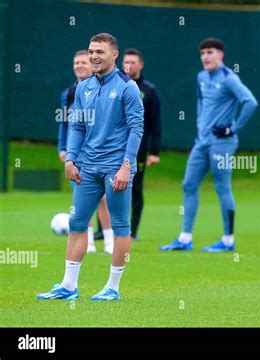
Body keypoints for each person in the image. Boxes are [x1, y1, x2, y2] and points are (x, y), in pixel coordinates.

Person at [37, 33, 144, 301]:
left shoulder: (127, 87)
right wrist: (71, 159)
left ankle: (113, 287)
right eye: (91, 51)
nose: (94, 56)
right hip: (87, 167)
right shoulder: (83, 88)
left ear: (114, 55)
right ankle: (69, 286)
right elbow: (76, 126)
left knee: (120, 226)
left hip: (116, 168)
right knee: (76, 223)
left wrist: (126, 166)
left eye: (100, 51)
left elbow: (136, 128)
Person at [160, 38, 258, 252]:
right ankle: (185, 239)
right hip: (202, 141)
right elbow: (201, 102)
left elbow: (250, 102)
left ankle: (228, 240)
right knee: (188, 184)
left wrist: (233, 128)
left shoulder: (229, 78)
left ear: (220, 55)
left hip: (222, 142)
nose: (205, 56)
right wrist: (200, 126)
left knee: (222, 187)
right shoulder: (201, 76)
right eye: (203, 53)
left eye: (210, 52)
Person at [57, 50, 115, 254]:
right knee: (83, 196)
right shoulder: (69, 93)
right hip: (77, 154)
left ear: (91, 65)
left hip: (99, 152)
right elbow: (65, 123)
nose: (79, 65)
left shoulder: (102, 88)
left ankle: (110, 240)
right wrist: (63, 148)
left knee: (105, 198)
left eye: (83, 62)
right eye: (76, 63)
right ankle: (88, 240)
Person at [122, 48, 161, 241]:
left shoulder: (149, 90)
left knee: (135, 188)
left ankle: (133, 231)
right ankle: (103, 230)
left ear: (141, 64)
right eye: (125, 61)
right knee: (106, 187)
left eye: (133, 62)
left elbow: (155, 123)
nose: (128, 65)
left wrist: (154, 151)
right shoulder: (116, 85)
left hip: (139, 148)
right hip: (114, 146)